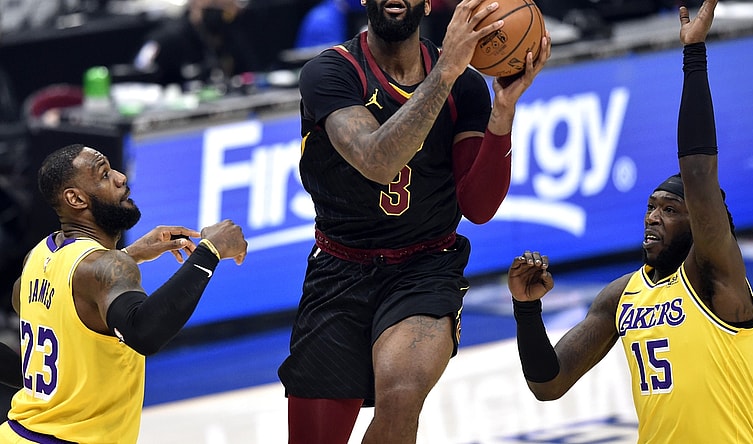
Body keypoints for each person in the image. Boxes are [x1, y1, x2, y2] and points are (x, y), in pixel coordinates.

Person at [277, 0, 552, 442]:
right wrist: (443, 72)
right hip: (339, 269)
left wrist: (503, 110)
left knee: (402, 396)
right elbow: (377, 159)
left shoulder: (464, 86)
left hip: (425, 266)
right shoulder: (330, 73)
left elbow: (479, 208)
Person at [507, 1, 753, 442]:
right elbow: (549, 383)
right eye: (651, 206)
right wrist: (526, 309)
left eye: (669, 210)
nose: (653, 218)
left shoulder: (716, 278)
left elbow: (699, 174)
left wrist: (694, 54)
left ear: (700, 224)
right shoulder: (622, 296)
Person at [0, 143, 248, 443]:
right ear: (76, 198)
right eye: (104, 175)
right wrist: (210, 251)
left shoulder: (38, 257)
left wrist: (130, 255)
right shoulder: (102, 267)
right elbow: (144, 332)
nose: (120, 177)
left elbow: (56, 320)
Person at [132, 0, 266, 86]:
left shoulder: (233, 36)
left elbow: (252, 76)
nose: (223, 11)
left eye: (228, 9)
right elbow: (139, 75)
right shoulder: (167, 39)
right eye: (214, 3)